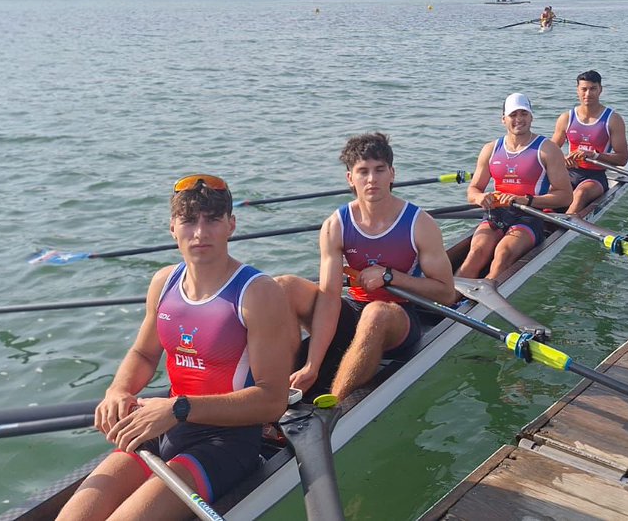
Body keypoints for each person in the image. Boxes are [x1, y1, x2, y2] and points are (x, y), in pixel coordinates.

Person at [58, 175, 298, 521]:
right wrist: (118, 389)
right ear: (173, 228)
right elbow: (143, 354)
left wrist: (179, 409)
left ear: (231, 224)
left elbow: (272, 400)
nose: (200, 232)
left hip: (225, 443)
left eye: (212, 219)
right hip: (164, 425)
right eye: (189, 220)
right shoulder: (164, 282)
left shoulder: (258, 293)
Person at [276, 133, 456, 399]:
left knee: (375, 313)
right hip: (354, 308)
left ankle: (336, 405)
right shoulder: (336, 224)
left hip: (400, 316)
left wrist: (390, 276)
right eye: (363, 171)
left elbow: (446, 293)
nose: (372, 179)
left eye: (379, 170)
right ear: (351, 178)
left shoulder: (420, 224)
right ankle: (286, 382)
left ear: (392, 174)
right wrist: (312, 364)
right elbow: (328, 298)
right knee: (283, 286)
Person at [458, 93, 572, 280]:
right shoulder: (490, 149)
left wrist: (526, 199)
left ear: (531, 117)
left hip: (529, 217)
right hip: (495, 215)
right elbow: (473, 190)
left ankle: (478, 303)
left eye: (524, 114)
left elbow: (566, 196)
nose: (519, 119)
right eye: (513, 115)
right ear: (503, 119)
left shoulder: (547, 149)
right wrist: (480, 198)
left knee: (503, 253)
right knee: (476, 253)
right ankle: (446, 300)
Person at [551, 70, 628, 214]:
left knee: (580, 194)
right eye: (584, 89)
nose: (588, 94)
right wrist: (562, 159)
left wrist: (594, 155)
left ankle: (564, 228)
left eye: (593, 89)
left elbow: (622, 158)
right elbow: (550, 152)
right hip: (569, 173)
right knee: (548, 191)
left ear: (600, 90)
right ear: (577, 90)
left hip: (595, 177)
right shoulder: (566, 118)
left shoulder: (613, 119)